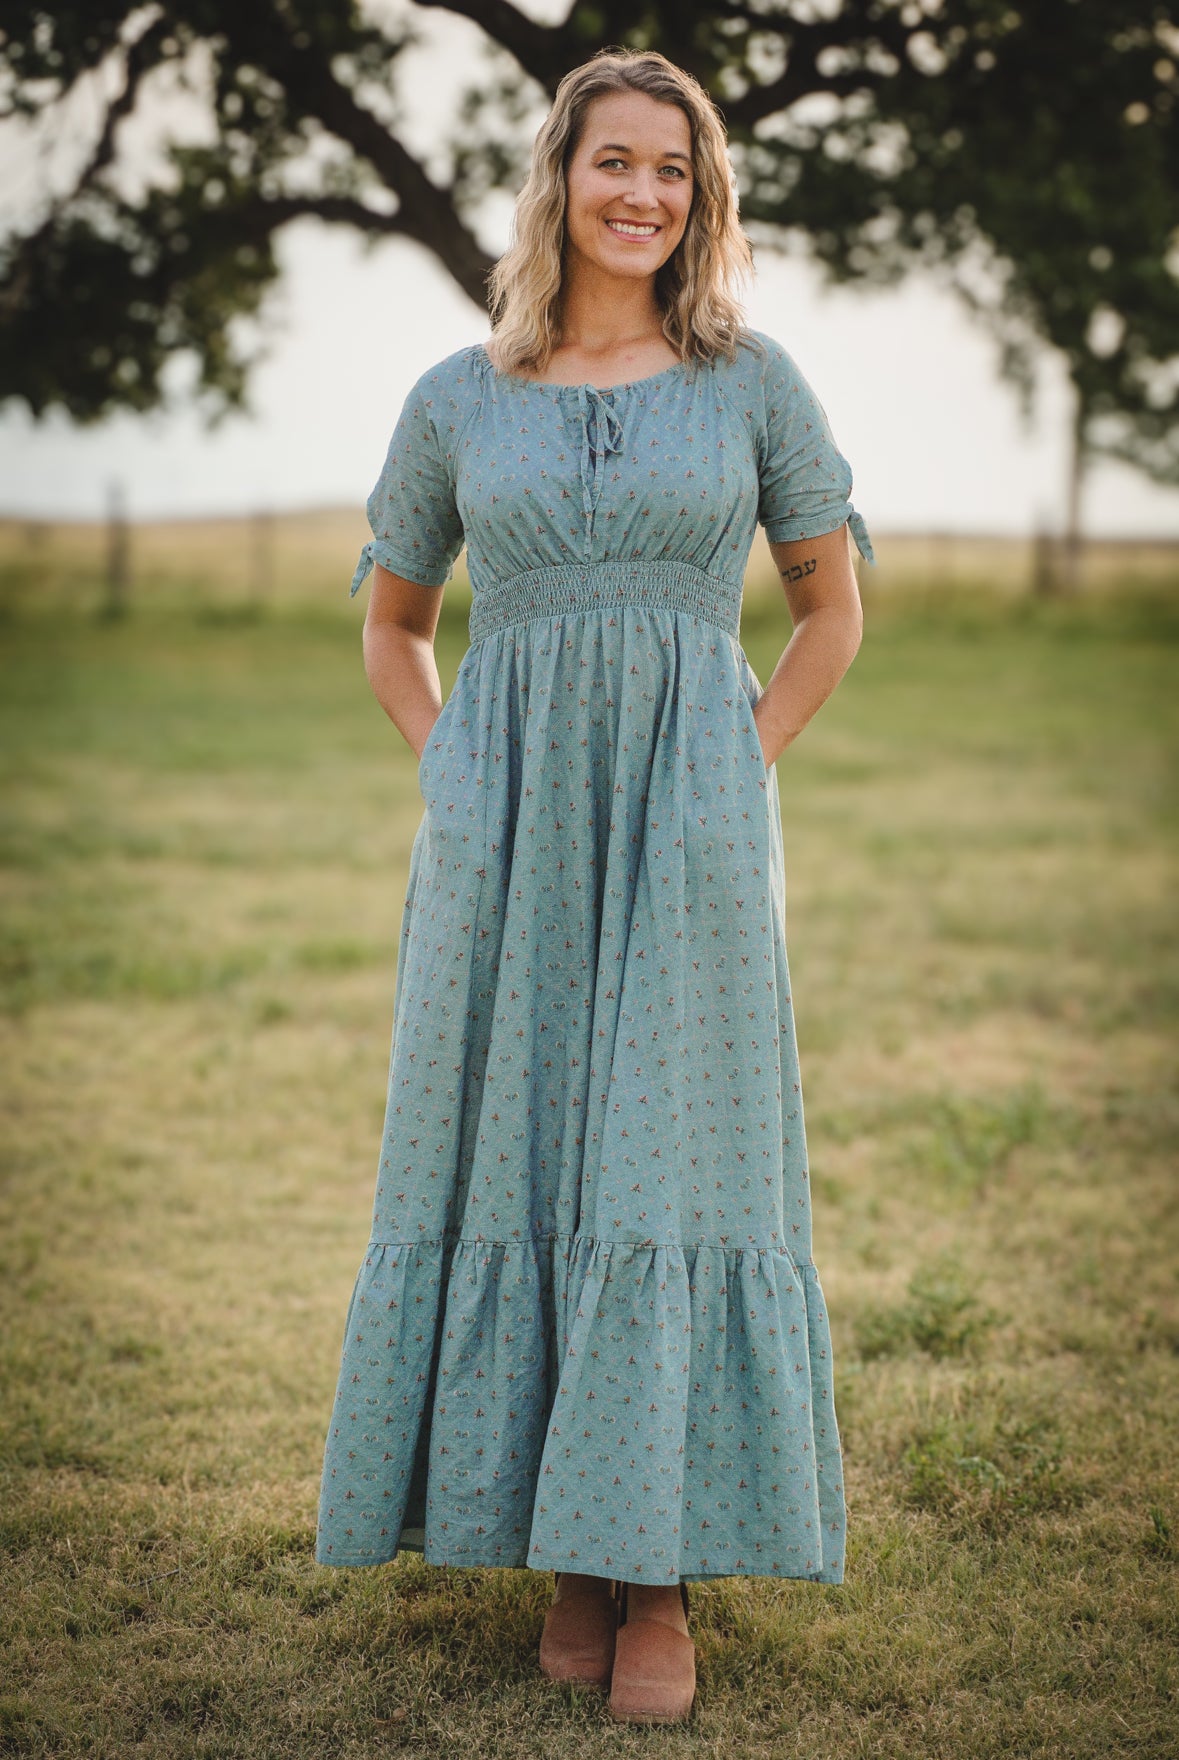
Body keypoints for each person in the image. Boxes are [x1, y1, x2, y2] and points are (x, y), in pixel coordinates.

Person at [315, 46, 871, 1725]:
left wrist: (744, 753)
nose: (642, 193)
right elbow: (394, 621)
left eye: (675, 171)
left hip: (690, 816)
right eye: (613, 161)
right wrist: (451, 764)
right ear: (557, 176)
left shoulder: (752, 380)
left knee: (669, 1152)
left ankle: (658, 1578)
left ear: (702, 200)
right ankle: (564, 1552)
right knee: (526, 1136)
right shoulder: (457, 397)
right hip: (508, 832)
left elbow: (829, 606)